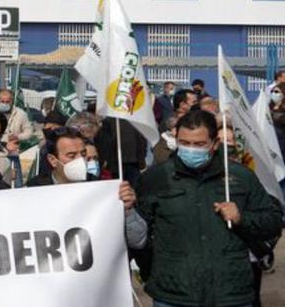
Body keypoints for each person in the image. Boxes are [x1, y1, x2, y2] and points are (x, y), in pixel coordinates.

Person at [137, 110, 282, 307]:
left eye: (199, 144)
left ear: (214, 143)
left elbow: (273, 222)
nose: (190, 149)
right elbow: (139, 234)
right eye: (184, 143)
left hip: (230, 293)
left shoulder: (240, 177)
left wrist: (242, 218)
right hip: (174, 294)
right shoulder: (155, 179)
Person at [28, 127, 147, 248]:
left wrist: (128, 210)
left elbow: (138, 241)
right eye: (71, 155)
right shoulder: (34, 190)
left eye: (83, 154)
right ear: (53, 160)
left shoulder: (101, 187)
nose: (80, 160)